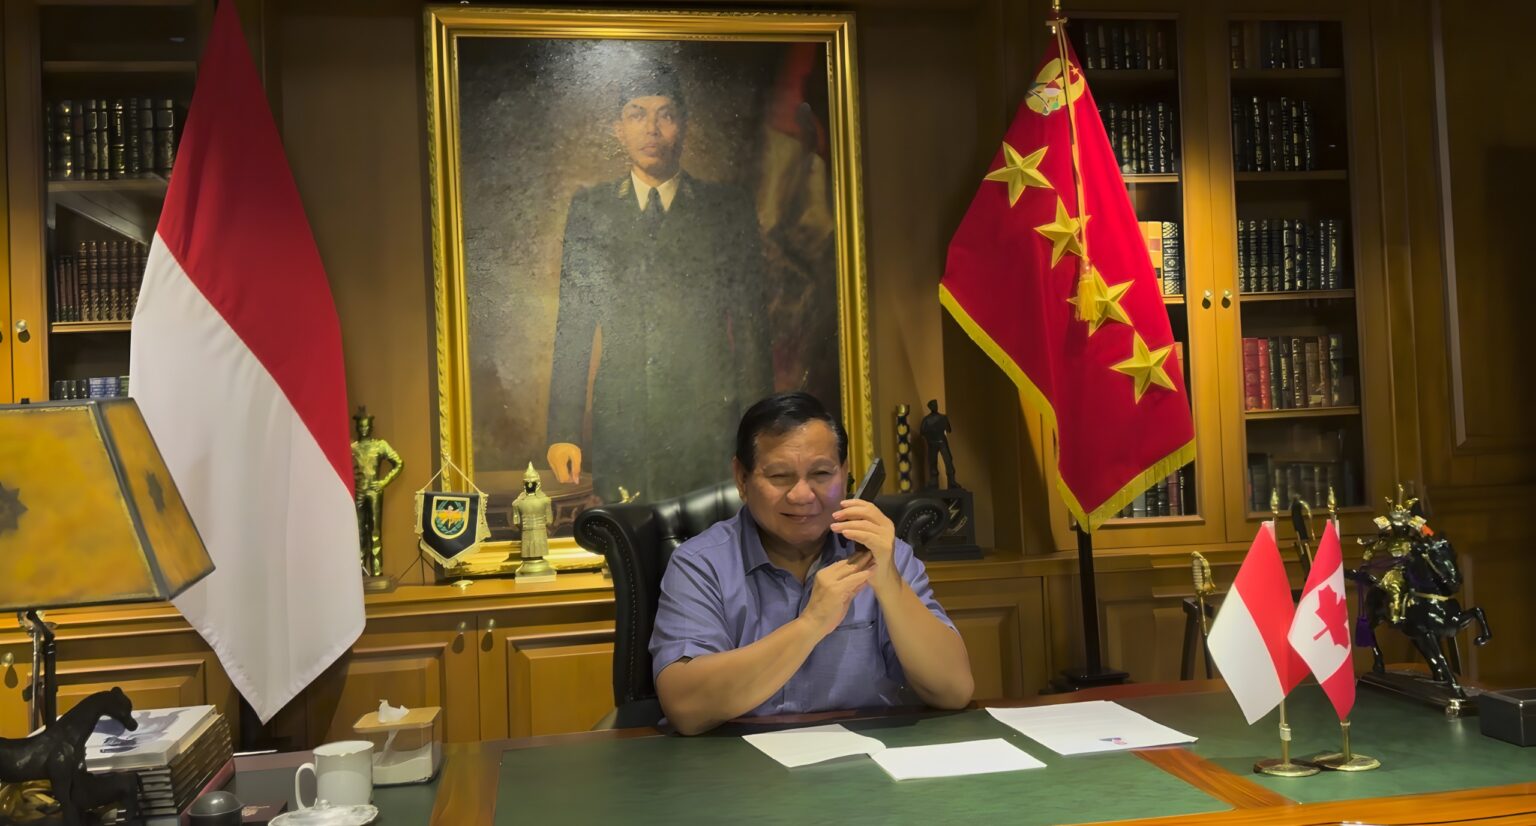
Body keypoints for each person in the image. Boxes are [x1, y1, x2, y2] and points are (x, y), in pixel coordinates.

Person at [649, 392, 974, 735]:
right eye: (779, 476)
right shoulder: (701, 564)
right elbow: (685, 707)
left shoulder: (884, 553)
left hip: (866, 765)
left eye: (821, 473)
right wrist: (811, 624)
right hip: (742, 772)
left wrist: (890, 583)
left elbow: (953, 690)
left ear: (845, 472)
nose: (802, 495)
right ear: (742, 479)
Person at [546, 62, 772, 505]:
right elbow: (573, 324)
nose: (651, 128)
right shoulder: (592, 210)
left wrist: (759, 435)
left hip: (708, 426)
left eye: (665, 114)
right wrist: (563, 432)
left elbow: (750, 332)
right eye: (637, 114)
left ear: (683, 125)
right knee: (629, 557)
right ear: (618, 129)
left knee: (710, 557)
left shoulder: (726, 209)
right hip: (623, 425)